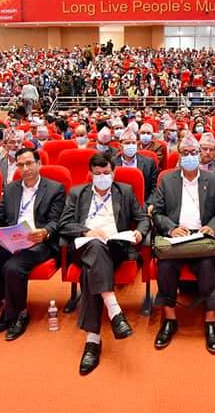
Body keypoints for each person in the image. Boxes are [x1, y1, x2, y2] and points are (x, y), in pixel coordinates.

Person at [58, 153, 148, 374]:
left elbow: (143, 218)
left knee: (90, 269)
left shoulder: (125, 191)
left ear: (113, 172)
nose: (102, 177)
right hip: (85, 244)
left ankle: (93, 340)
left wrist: (139, 231)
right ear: (90, 174)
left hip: (115, 246)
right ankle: (114, 312)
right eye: (97, 173)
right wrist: (87, 231)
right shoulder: (78, 193)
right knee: (95, 248)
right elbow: (64, 224)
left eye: (106, 173)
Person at [150, 134, 215, 354]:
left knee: (208, 265)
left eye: (194, 153)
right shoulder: (167, 180)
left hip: (202, 237)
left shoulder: (214, 180)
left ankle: (210, 321)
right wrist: (171, 228)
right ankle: (169, 319)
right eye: (186, 153)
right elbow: (157, 212)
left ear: (200, 154)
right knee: (166, 265)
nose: (190, 156)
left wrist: (212, 226)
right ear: (179, 156)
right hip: (177, 236)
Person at [0, 147, 65, 341]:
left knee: (13, 267)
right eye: (21, 165)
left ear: (39, 164)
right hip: (13, 238)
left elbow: (56, 220)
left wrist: (45, 232)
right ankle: (7, 306)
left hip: (38, 240)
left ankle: (20, 314)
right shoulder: (11, 189)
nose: (25, 169)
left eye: (29, 163)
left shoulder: (54, 188)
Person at [112, 128, 158, 200]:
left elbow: (154, 189)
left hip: (142, 201)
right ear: (120, 146)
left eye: (133, 143)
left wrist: (148, 204)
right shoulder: (112, 163)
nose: (131, 145)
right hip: (119, 201)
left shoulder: (149, 163)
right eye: (127, 143)